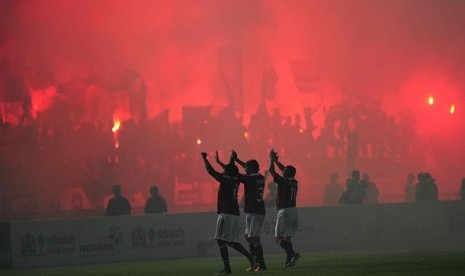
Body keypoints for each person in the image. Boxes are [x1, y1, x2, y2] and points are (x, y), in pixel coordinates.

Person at [201, 152, 255, 275]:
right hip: (234, 214)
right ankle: (250, 257)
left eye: (225, 169)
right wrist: (231, 159)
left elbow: (211, 171)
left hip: (226, 213)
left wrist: (205, 159)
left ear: (227, 172)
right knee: (230, 241)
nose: (223, 170)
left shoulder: (226, 179)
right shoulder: (235, 179)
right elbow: (230, 169)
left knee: (221, 240)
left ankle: (227, 268)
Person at [228, 150, 267, 271]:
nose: (245, 169)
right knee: (248, 237)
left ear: (251, 168)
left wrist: (232, 162)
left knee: (254, 239)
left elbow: (235, 173)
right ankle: (255, 263)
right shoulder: (259, 177)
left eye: (247, 167)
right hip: (253, 211)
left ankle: (261, 265)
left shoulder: (250, 179)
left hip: (255, 212)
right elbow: (246, 169)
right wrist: (237, 159)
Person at [269, 149, 300, 267]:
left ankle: (292, 254)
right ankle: (289, 261)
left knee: (278, 238)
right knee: (287, 238)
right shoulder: (294, 181)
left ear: (286, 173)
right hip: (293, 210)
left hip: (285, 211)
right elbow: (285, 170)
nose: (283, 172)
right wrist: (277, 161)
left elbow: (271, 171)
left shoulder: (283, 181)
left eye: (284, 171)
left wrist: (272, 160)